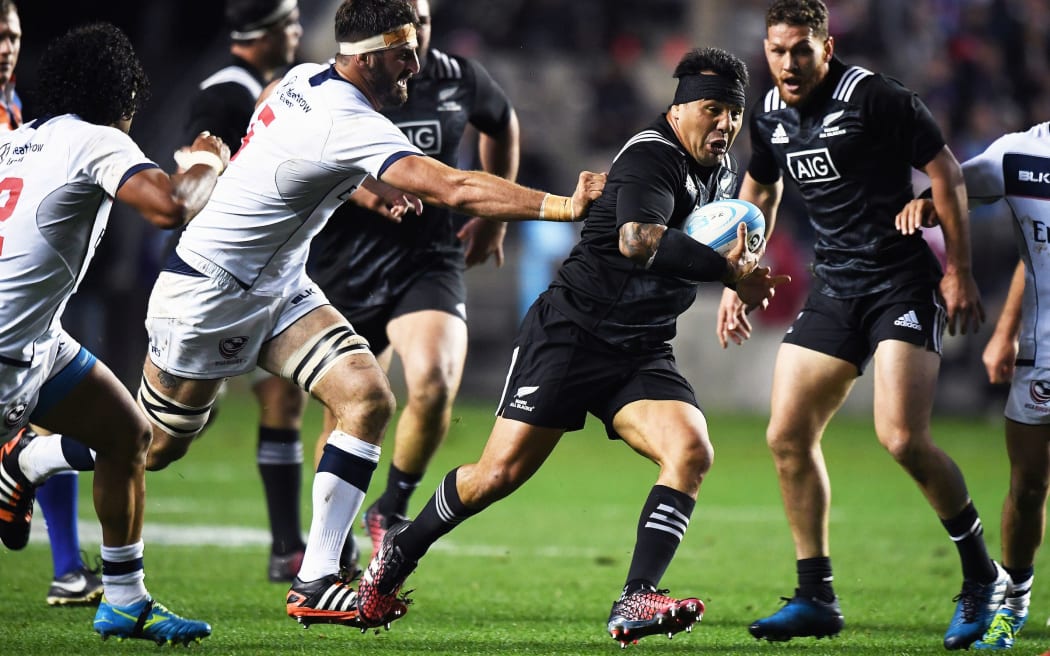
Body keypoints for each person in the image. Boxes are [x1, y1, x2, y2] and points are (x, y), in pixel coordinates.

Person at [0, 0, 604, 630]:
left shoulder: (302, 79)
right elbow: (451, 186)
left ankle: (315, 578)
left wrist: (362, 187)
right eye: (404, 54)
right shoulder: (345, 115)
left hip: (283, 284)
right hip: (211, 292)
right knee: (151, 447)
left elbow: (292, 143)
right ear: (367, 59)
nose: (415, 65)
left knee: (367, 398)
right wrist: (563, 205)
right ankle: (29, 461)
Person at [355, 47, 789, 646]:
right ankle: (397, 550)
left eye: (733, 114)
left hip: (640, 347)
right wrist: (727, 272)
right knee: (497, 474)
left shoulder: (717, 167)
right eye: (712, 110)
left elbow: (748, 200)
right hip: (572, 335)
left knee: (690, 451)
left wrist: (735, 274)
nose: (725, 125)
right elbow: (638, 239)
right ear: (679, 107)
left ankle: (636, 597)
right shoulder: (650, 157)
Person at [714, 0, 1004, 649]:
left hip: (900, 281)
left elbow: (946, 171)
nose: (787, 64)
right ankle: (816, 595)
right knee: (786, 435)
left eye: (800, 51)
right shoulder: (769, 114)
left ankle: (981, 579)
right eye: (776, 50)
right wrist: (742, 271)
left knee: (902, 438)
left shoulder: (873, 96)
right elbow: (760, 192)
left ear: (826, 44)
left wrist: (956, 271)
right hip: (836, 288)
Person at [0, 22, 229, 644]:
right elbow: (170, 206)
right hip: (8, 353)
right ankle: (23, 461)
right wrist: (207, 157)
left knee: (128, 433)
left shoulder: (17, 140)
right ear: (122, 97)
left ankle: (125, 600)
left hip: (34, 343)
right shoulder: (96, 139)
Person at [305, 0, 521, 564]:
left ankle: (391, 508)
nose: (418, 34)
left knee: (433, 381)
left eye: (423, 21)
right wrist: (367, 192)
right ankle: (329, 540)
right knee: (346, 411)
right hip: (343, 263)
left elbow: (501, 122)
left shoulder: (456, 77)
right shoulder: (337, 86)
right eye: (406, 25)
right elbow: (306, 152)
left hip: (429, 257)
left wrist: (494, 218)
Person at [182, 0, 309, 584]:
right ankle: (35, 459)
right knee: (162, 436)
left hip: (262, 279)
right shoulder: (225, 95)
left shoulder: (261, 89)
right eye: (290, 23)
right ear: (263, 34)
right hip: (219, 280)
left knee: (285, 398)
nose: (298, 32)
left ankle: (289, 547)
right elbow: (196, 173)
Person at [0, 0, 103, 607]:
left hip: (24, 311)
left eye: (10, 35)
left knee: (59, 420)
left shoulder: (19, 115)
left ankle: (69, 569)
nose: (5, 46)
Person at [957, 121, 1050, 650]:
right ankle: (1014, 602)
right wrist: (1006, 332)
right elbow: (951, 188)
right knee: (1029, 483)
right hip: (1043, 353)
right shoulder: (1021, 155)